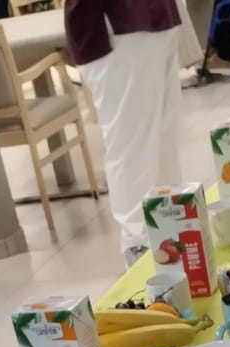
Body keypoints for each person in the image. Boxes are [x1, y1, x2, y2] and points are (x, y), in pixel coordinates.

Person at [65, 0, 186, 265]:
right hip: (117, 23)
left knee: (162, 144)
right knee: (133, 145)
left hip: (153, 17)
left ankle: (174, 243)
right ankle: (142, 254)